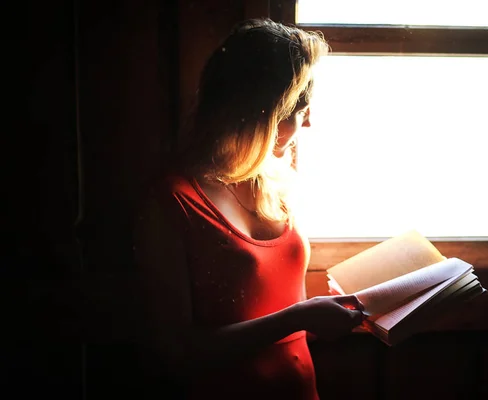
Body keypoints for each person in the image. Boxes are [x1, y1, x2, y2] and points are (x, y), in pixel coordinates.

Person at [133, 18, 365, 399]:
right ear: (259, 108)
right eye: (298, 107)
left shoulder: (279, 186)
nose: (308, 122)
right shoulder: (171, 203)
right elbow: (179, 352)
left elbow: (284, 302)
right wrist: (302, 316)